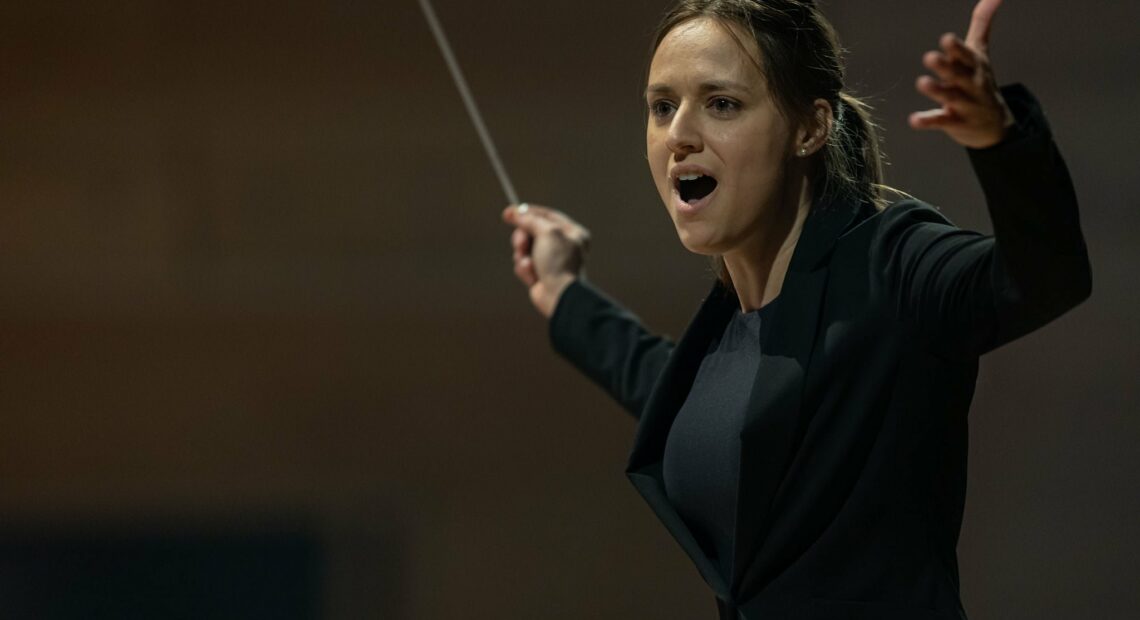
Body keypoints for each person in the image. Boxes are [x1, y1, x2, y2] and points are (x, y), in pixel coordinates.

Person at [500, 0, 1090, 618]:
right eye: (662, 106)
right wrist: (564, 292)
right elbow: (670, 387)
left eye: (721, 103)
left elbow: (1045, 278)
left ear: (810, 128)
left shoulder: (891, 262)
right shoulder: (728, 331)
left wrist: (1002, 140)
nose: (678, 135)